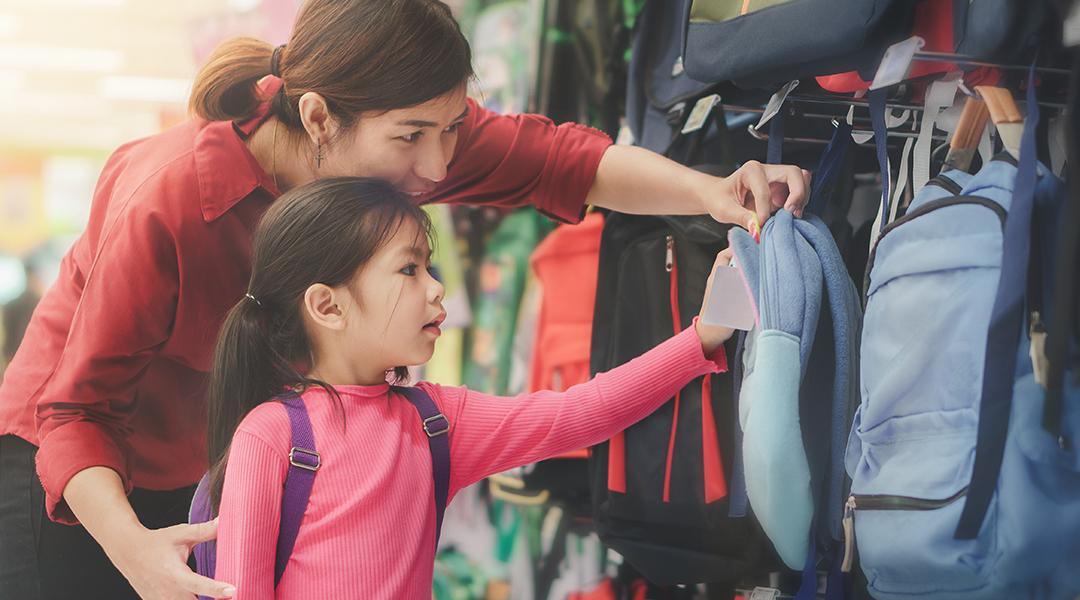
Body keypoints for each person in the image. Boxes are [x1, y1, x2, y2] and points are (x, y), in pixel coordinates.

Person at [0, 0, 808, 598]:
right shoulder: (173, 197)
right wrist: (136, 551)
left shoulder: (391, 150)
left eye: (451, 129)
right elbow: (75, 413)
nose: (436, 167)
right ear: (317, 117)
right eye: (416, 137)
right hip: (72, 476)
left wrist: (717, 193)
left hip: (207, 460)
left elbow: (568, 164)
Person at [209, 177, 736, 598]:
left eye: (429, 267)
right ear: (328, 306)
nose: (437, 288)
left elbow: (582, 411)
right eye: (409, 270)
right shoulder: (270, 437)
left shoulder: (435, 421)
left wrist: (702, 337)